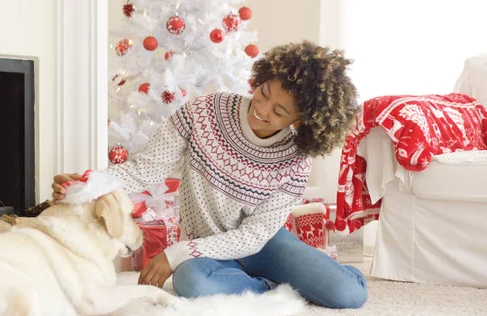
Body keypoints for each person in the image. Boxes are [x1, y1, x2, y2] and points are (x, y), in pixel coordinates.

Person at [52, 40, 367, 309]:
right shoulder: (204, 113)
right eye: (265, 92)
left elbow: (255, 236)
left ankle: (300, 273)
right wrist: (89, 185)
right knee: (192, 281)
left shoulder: (297, 158)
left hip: (264, 245)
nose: (263, 108)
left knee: (349, 294)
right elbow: (145, 169)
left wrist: (175, 253)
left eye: (279, 111)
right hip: (206, 247)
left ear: (302, 119)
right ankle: (269, 290)